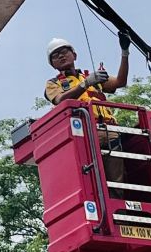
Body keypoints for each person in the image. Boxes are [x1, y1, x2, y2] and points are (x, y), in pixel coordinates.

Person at [44, 32, 132, 182]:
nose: (60, 56)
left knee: (116, 177)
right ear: (53, 64)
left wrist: (125, 52)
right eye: (55, 55)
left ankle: (119, 204)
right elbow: (60, 100)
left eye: (64, 51)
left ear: (74, 55)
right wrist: (86, 84)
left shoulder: (91, 77)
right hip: (84, 131)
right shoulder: (53, 84)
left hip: (109, 130)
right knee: (92, 176)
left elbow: (120, 82)